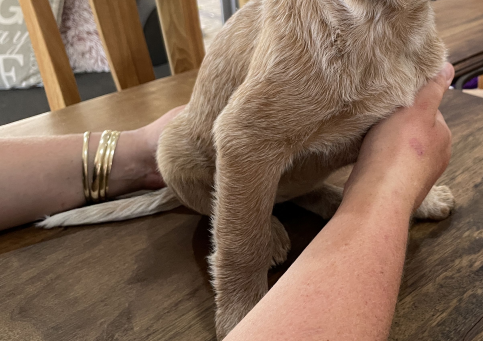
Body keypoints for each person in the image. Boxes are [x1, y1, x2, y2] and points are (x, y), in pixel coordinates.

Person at [0, 62, 454, 341]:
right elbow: (241, 142)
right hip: (214, 176)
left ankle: (308, 193)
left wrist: (137, 149)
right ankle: (306, 198)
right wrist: (389, 186)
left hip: (273, 167)